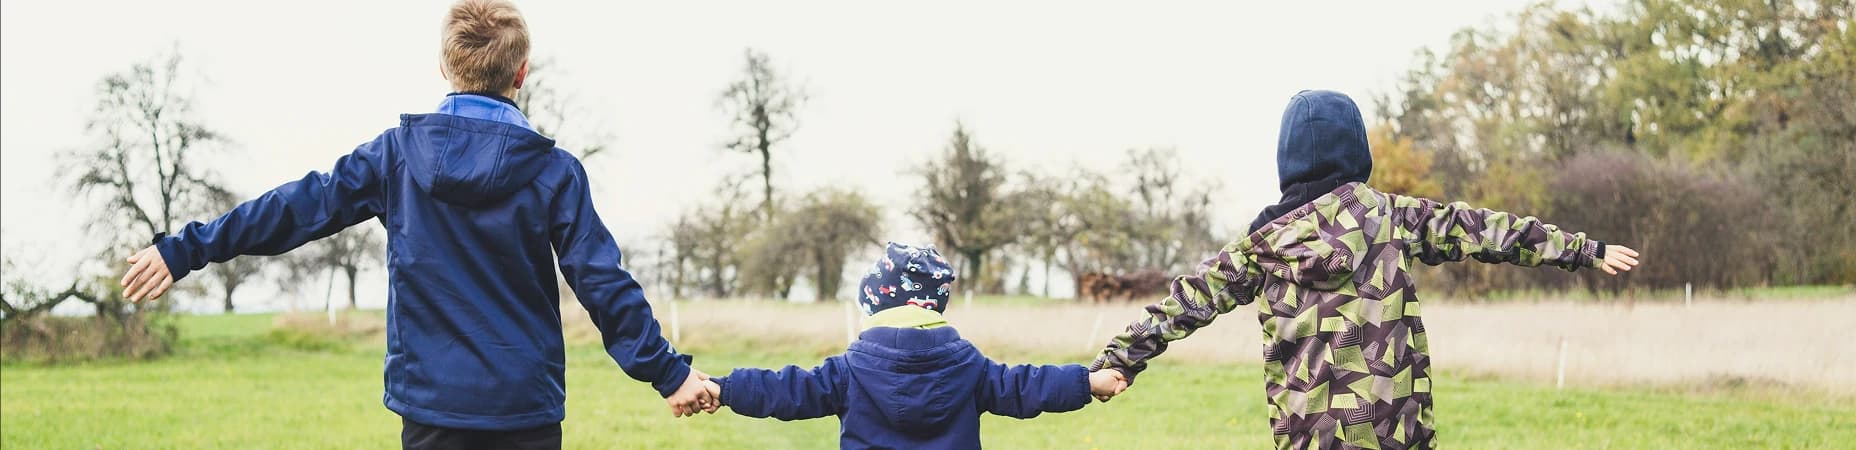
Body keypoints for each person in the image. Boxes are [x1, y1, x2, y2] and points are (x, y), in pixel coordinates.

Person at [113, 1, 715, 448]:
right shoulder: (554, 172)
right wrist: (669, 375)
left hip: (433, 413)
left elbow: (295, 208)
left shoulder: (396, 155)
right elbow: (603, 285)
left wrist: (185, 250)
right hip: (523, 415)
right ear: (522, 72)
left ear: (445, 65)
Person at [1089, 90, 1641, 450]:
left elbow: (1183, 303)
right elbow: (1480, 229)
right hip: (1395, 435)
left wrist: (1119, 361)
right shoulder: (1391, 218)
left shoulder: (1260, 246)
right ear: (1357, 151)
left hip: (1308, 439)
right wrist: (1583, 249)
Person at [699, 242, 1127, 449]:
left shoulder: (847, 371)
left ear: (874, 305)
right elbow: (1025, 386)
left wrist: (725, 388)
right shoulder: (971, 368)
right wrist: (1087, 383)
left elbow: (787, 389)